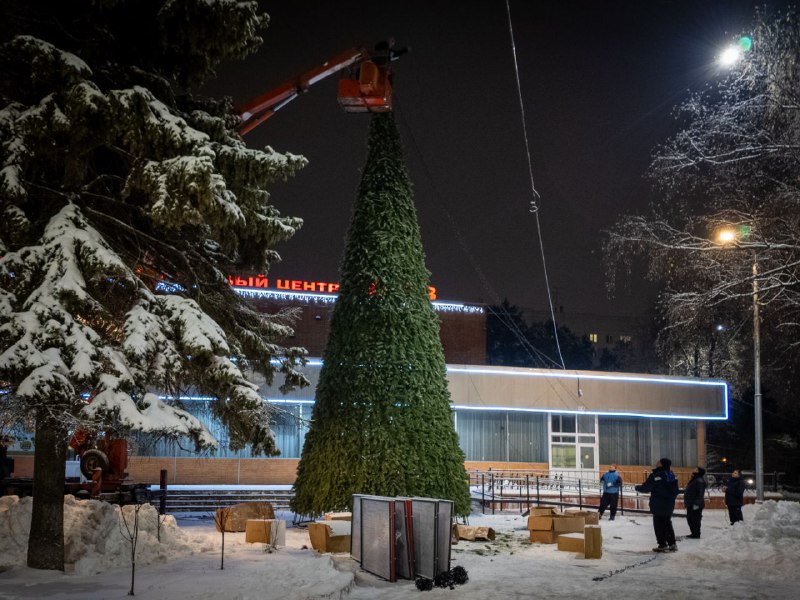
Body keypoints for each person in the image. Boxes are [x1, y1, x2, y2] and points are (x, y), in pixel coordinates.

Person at [635, 457, 679, 553]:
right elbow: (676, 490)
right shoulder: (672, 475)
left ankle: (662, 545)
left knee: (659, 524)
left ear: (662, 464)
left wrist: (637, 487)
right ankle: (672, 544)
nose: (656, 462)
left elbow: (646, 488)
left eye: (659, 462)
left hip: (659, 504)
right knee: (667, 523)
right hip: (669, 504)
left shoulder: (656, 475)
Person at [682, 466, 707, 538]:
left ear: (699, 472)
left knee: (695, 519)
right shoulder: (695, 479)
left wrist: (696, 504)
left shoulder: (699, 481)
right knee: (690, 519)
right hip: (690, 503)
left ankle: (696, 534)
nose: (694, 469)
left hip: (695, 505)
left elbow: (700, 494)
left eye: (696, 469)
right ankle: (694, 533)